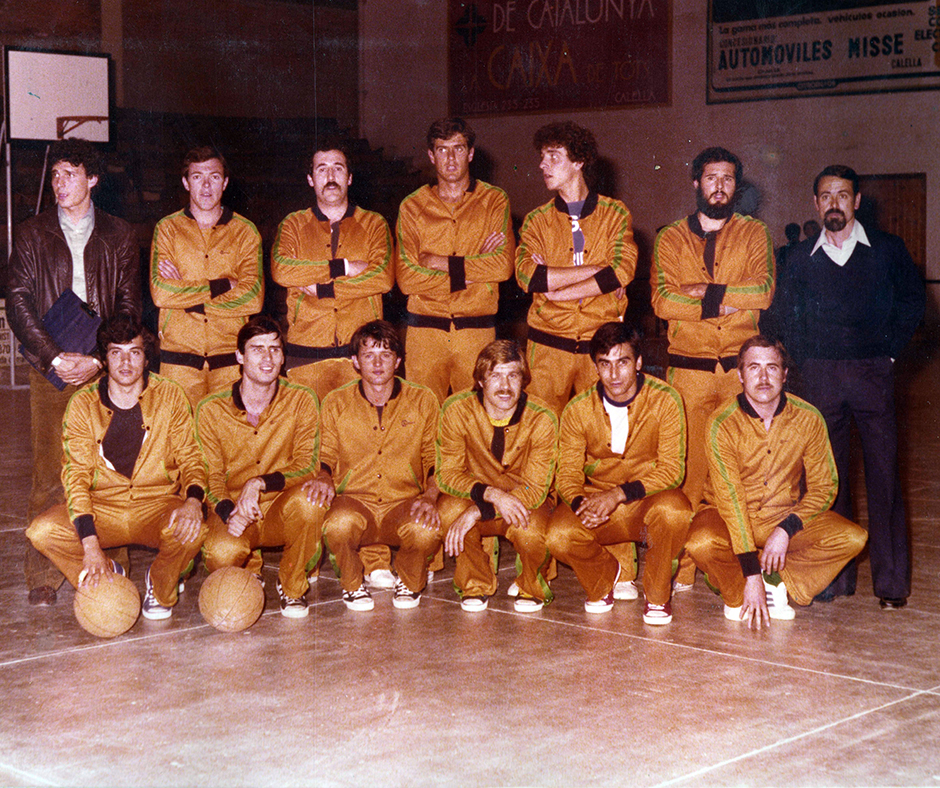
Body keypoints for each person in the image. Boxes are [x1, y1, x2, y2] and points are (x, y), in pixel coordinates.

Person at [773, 165, 925, 608]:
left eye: (843, 194)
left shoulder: (887, 250)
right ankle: (833, 578)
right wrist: (806, 361)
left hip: (872, 373)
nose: (834, 203)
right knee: (825, 477)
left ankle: (891, 584)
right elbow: (787, 314)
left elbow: (914, 300)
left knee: (883, 475)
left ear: (857, 201)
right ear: (816, 204)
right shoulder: (800, 257)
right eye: (826, 196)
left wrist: (890, 353)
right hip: (821, 376)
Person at [7, 138, 141, 606]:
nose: (59, 183)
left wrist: (102, 358)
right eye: (55, 175)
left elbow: (127, 303)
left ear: (93, 180)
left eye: (69, 174)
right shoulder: (31, 232)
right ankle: (42, 572)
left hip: (104, 365)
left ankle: (113, 562)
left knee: (107, 467)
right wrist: (55, 358)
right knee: (49, 469)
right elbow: (19, 304)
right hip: (52, 367)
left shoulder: (120, 234)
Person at [271, 136, 395, 586]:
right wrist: (348, 269)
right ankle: (305, 553)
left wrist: (320, 283)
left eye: (338, 167)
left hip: (357, 359)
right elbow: (284, 271)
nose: (330, 176)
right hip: (307, 357)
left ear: (349, 176)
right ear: (310, 178)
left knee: (365, 454)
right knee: (307, 455)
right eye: (321, 168)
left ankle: (375, 555)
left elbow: (383, 275)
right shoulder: (292, 225)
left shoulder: (375, 223)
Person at [26, 315, 207, 620]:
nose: (125, 362)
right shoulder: (83, 404)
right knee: (41, 531)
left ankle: (160, 583)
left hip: (156, 504)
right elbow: (76, 476)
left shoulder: (170, 396)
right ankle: (107, 572)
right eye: (115, 352)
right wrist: (91, 546)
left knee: (195, 528)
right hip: (104, 507)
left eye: (134, 352)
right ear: (104, 359)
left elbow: (192, 457)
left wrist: (192, 500)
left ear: (146, 357)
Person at [651, 146, 774, 588]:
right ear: (696, 183)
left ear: (736, 187)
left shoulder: (755, 234)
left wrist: (701, 291)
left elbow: (761, 292)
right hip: (689, 372)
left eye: (726, 179)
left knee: (738, 476)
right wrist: (726, 297)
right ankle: (680, 570)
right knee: (688, 474)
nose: (718, 186)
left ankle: (740, 567)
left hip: (738, 375)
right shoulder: (670, 238)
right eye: (710, 177)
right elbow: (663, 301)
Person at [685, 336, 868, 627]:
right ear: (740, 375)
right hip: (728, 517)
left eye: (772, 368)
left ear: (784, 375)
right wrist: (751, 574)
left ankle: (776, 581)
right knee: (702, 542)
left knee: (852, 537)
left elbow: (825, 486)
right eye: (754, 368)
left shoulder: (809, 417)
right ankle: (739, 591)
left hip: (781, 516)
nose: (763, 377)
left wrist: (787, 528)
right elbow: (731, 501)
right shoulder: (721, 423)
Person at [547, 323, 692, 623]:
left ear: (638, 362)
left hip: (645, 504)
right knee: (558, 535)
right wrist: (580, 506)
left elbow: (672, 471)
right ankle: (604, 575)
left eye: (622, 362)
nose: (614, 375)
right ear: (595, 366)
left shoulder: (666, 399)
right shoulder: (577, 409)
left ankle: (657, 595)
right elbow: (568, 476)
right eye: (605, 364)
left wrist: (618, 494)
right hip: (598, 505)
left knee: (676, 511)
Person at [304, 320, 442, 611]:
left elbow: (434, 457)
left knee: (426, 526)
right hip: (355, 501)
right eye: (368, 355)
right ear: (355, 361)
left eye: (386, 355)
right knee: (338, 524)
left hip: (403, 502)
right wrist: (324, 477)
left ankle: (408, 576)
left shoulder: (423, 399)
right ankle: (353, 584)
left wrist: (430, 497)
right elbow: (325, 452)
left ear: (398, 361)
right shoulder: (335, 402)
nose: (378, 363)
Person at [197, 316, 324, 618]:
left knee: (312, 502)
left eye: (275, 349)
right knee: (220, 553)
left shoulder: (302, 399)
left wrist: (259, 483)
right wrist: (230, 512)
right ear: (240, 356)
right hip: (236, 507)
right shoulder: (211, 409)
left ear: (283, 356)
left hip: (281, 504)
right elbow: (209, 476)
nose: (267, 358)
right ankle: (248, 571)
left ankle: (292, 584)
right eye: (257, 349)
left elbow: (308, 465)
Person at [515, 121, 637, 416]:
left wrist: (557, 292)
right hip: (547, 348)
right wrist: (596, 270)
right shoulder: (536, 220)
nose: (543, 164)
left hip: (600, 348)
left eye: (554, 156)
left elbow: (621, 271)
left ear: (578, 162)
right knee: (541, 432)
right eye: (542, 157)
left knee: (598, 434)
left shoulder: (615, 213)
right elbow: (528, 276)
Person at [396, 117, 515, 403]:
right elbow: (407, 278)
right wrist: (472, 271)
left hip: (476, 331)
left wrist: (436, 261)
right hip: (425, 333)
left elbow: (502, 266)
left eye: (458, 149)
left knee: (475, 418)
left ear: (471, 153)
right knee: (422, 417)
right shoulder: (412, 206)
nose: (450, 158)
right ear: (430, 155)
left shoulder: (494, 200)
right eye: (442, 149)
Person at [436, 340, 557, 613]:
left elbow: (537, 488)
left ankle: (531, 583)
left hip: (524, 500)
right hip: (480, 493)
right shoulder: (456, 409)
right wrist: (490, 495)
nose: (505, 386)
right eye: (495, 375)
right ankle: (475, 582)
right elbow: (447, 474)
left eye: (513, 375)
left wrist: (478, 511)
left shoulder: (543, 417)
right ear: (480, 380)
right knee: (449, 509)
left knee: (531, 529)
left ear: (523, 380)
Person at [149, 146, 263, 407]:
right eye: (197, 176)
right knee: (178, 443)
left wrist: (187, 300)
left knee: (228, 444)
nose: (206, 185)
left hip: (230, 362)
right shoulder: (167, 229)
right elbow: (161, 293)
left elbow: (253, 299)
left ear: (224, 183)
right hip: (178, 363)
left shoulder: (245, 232)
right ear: (186, 182)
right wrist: (224, 284)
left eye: (214, 176)